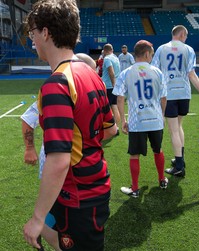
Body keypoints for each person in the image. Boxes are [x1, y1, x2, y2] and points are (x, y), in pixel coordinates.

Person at [23, 1, 117, 250]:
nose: (33, 41)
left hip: (78, 197)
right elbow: (110, 129)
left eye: (33, 33)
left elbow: (59, 161)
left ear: (45, 33)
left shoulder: (57, 84)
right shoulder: (91, 75)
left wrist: (36, 218)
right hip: (94, 187)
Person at [151, 25, 199, 177]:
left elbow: (155, 72)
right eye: (186, 36)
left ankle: (179, 165)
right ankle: (180, 158)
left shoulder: (161, 49)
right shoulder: (189, 49)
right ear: (181, 34)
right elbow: (192, 75)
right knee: (179, 126)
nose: (186, 39)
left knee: (173, 129)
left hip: (169, 95)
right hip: (184, 94)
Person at [113, 40, 168, 198]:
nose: (151, 56)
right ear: (145, 54)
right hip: (156, 120)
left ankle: (135, 189)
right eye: (151, 53)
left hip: (137, 122)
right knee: (158, 150)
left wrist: (123, 120)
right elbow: (164, 98)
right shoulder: (157, 72)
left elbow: (120, 99)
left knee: (134, 155)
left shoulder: (126, 73)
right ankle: (162, 179)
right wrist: (162, 116)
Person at [102, 43, 121, 134]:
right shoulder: (116, 58)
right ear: (112, 50)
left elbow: (111, 72)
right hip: (115, 85)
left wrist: (113, 84)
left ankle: (108, 128)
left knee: (106, 108)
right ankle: (116, 128)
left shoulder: (107, 58)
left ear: (105, 50)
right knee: (115, 106)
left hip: (108, 86)